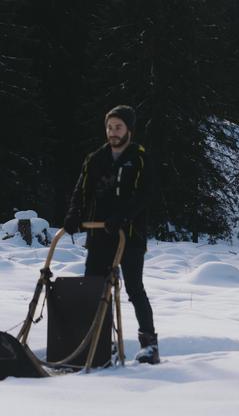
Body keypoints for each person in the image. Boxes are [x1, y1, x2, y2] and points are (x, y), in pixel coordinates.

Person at [63, 105, 159, 365]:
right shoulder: (95, 158)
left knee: (134, 289)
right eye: (109, 127)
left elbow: (145, 194)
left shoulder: (139, 158)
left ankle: (149, 345)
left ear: (129, 129)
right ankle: (99, 343)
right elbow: (81, 191)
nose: (113, 132)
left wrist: (124, 216)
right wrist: (74, 216)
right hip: (99, 235)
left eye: (118, 127)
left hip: (129, 235)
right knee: (93, 288)